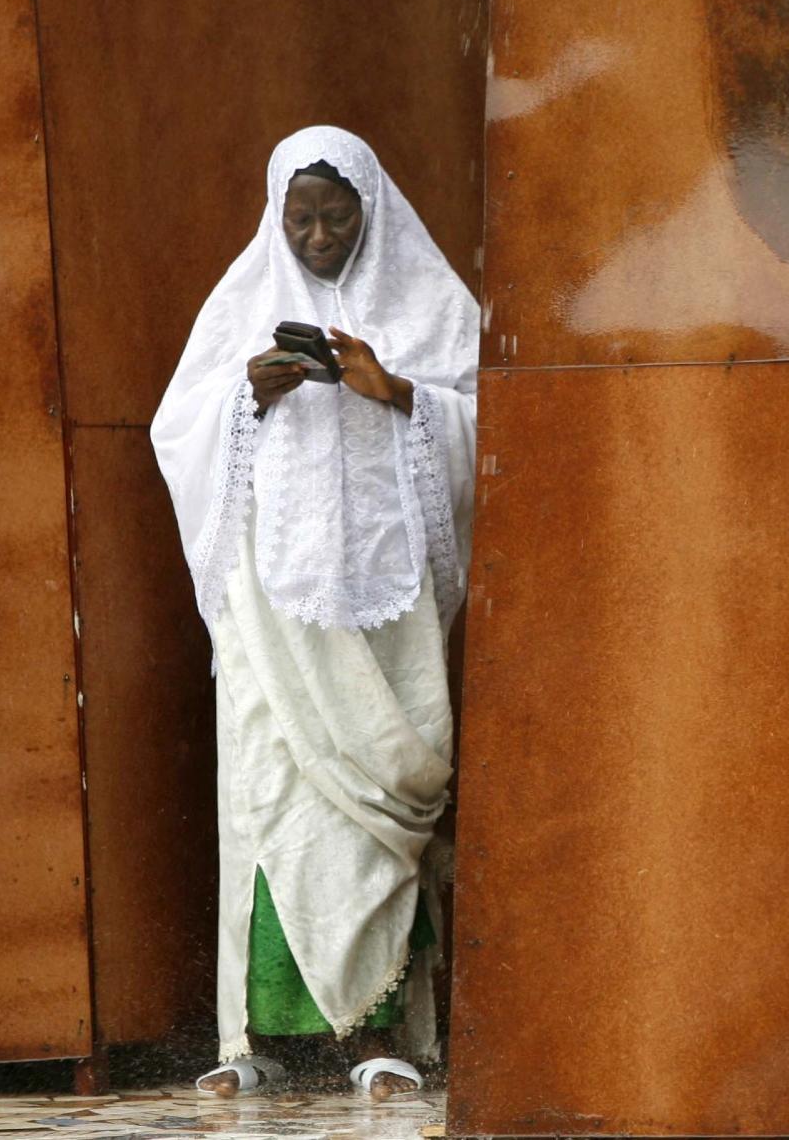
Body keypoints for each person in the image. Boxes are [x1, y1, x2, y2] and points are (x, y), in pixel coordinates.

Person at [151, 126, 478, 1100]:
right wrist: (243, 394)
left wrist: (399, 391)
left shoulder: (429, 302)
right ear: (274, 215)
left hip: (383, 627)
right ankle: (252, 1040)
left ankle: (374, 1037)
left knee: (366, 828)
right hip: (270, 629)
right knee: (269, 812)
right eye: (301, 218)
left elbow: (489, 415)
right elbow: (179, 427)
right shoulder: (243, 300)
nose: (319, 235)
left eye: (338, 216)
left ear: (369, 211)